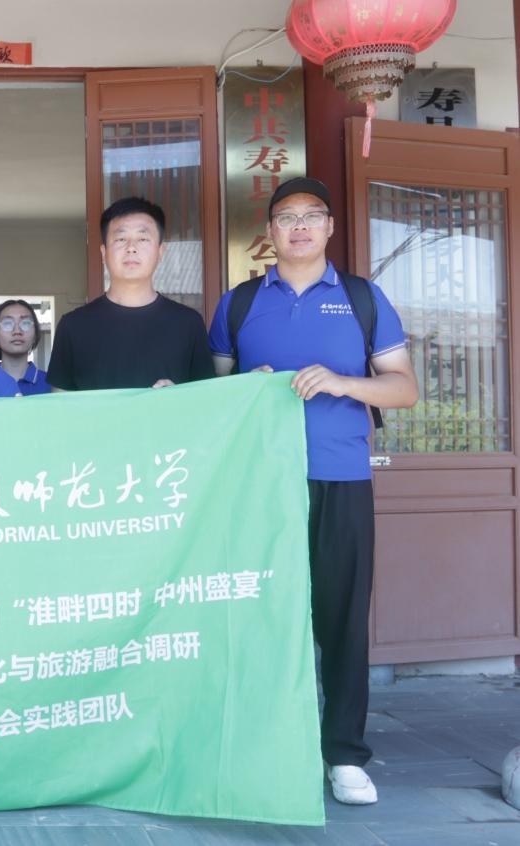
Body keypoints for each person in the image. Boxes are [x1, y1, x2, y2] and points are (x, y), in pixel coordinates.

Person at [208, 176, 418, 806]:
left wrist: (343, 382)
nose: (298, 226)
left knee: (342, 620)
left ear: (328, 227)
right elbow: (212, 396)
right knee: (258, 617)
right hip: (258, 485)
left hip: (341, 478)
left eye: (311, 215)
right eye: (286, 217)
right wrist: (248, 387)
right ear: (269, 232)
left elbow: (404, 388)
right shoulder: (238, 304)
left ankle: (344, 755)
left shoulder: (362, 298)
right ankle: (264, 747)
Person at [47, 196, 213, 391]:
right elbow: (60, 402)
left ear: (160, 252)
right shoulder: (73, 326)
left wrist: (178, 398)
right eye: (121, 239)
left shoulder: (188, 324)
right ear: (103, 253)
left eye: (143, 239)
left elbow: (205, 399)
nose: (131, 248)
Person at [0, 298, 49, 396]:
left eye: (25, 323)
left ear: (35, 335)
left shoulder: (51, 385)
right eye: (7, 323)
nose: (17, 331)